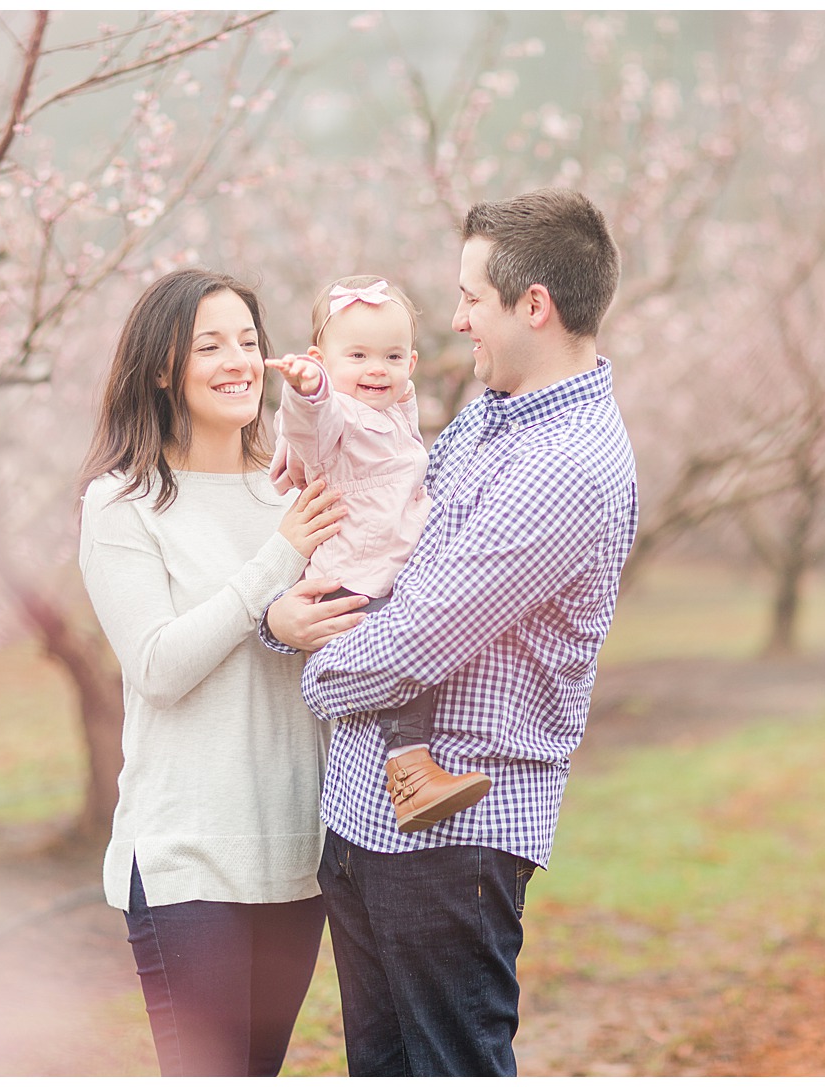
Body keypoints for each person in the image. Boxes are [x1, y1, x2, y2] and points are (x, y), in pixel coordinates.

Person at [262, 189, 640, 1076]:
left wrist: (298, 652)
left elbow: (413, 642)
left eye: (473, 297)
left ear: (533, 305)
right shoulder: (489, 417)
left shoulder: (565, 465)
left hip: (449, 838)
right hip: (367, 816)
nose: (460, 319)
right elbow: (393, 531)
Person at [76, 268, 348, 1076]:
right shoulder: (123, 502)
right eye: (209, 344)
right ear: (163, 367)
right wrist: (275, 576)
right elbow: (159, 665)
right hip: (188, 855)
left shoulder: (289, 493)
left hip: (295, 852)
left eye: (247, 340)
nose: (237, 360)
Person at [265, 274, 493, 833]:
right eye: (358, 355)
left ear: (412, 362)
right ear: (323, 359)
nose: (377, 369)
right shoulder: (335, 416)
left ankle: (408, 771)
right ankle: (410, 773)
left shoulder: (395, 409)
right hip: (356, 576)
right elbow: (311, 423)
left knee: (416, 658)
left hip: (390, 567)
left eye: (392, 356)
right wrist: (308, 387)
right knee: (405, 660)